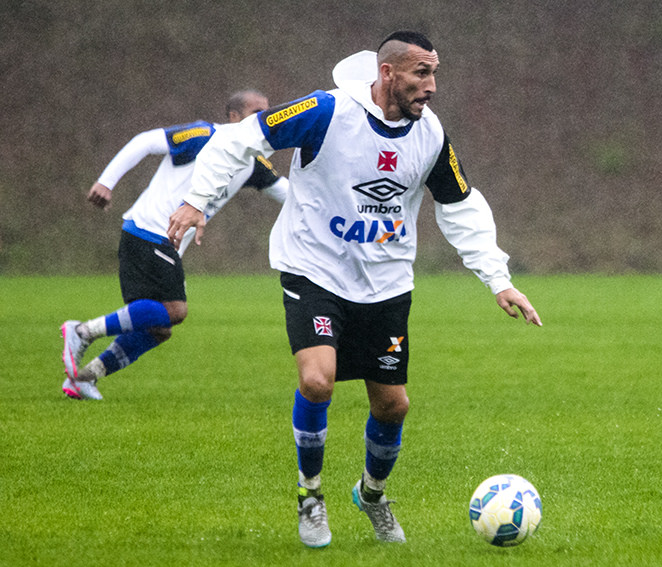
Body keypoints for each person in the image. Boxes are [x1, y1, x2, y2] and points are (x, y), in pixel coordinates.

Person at [166, 31, 542, 548]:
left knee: (393, 406)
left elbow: (459, 205)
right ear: (388, 72)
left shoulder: (430, 134)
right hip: (314, 271)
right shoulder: (325, 111)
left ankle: (371, 494)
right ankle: (310, 495)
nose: (431, 86)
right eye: (421, 73)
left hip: (386, 284)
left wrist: (498, 280)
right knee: (317, 380)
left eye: (434, 74)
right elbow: (239, 139)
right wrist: (196, 201)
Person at [61, 90, 289, 401]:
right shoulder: (204, 136)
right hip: (149, 231)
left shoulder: (254, 161)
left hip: (162, 243)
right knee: (175, 310)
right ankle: (81, 332)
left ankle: (84, 378)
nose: (263, 117)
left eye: (267, 111)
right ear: (234, 116)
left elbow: (289, 194)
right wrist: (106, 181)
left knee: (158, 327)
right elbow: (145, 141)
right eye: (255, 111)